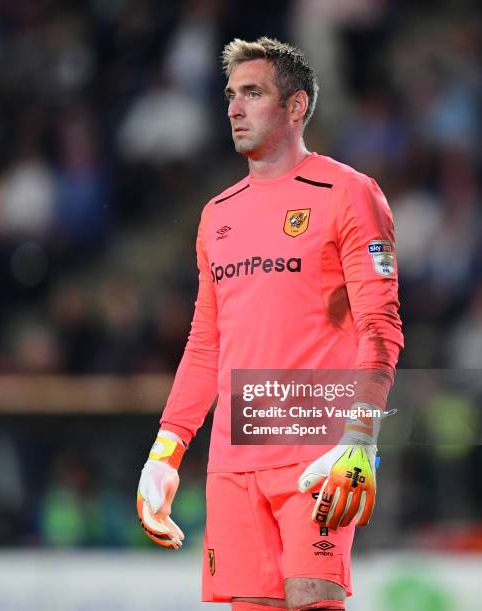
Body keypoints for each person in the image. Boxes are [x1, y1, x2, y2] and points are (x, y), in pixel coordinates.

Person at [137, 37, 403, 611]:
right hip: (234, 462)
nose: (233, 108)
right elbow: (206, 344)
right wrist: (166, 450)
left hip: (317, 450)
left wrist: (361, 439)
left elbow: (381, 325)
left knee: (312, 600)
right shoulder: (217, 215)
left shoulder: (349, 194)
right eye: (231, 95)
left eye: (252, 93)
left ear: (296, 106)